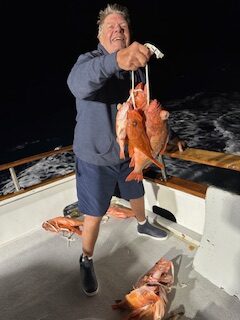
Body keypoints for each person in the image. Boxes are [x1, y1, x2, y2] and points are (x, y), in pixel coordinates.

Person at [67, 3, 184, 296]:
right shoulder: (89, 62)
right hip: (95, 156)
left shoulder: (137, 74)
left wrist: (171, 136)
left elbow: (146, 118)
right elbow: (77, 84)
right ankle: (86, 257)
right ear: (99, 34)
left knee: (136, 191)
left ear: (130, 32)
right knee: (94, 213)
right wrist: (116, 60)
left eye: (123, 27)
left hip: (129, 152)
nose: (117, 31)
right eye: (111, 27)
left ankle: (142, 223)